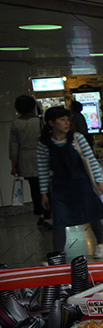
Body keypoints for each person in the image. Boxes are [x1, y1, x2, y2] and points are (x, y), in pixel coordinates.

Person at [36, 106, 103, 258]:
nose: (66, 123)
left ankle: (101, 243)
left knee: (92, 215)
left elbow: (91, 161)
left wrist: (99, 181)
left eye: (67, 119)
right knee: (59, 221)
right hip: (60, 186)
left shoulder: (77, 138)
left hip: (81, 182)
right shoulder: (44, 144)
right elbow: (42, 169)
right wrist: (43, 193)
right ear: (51, 122)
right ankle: (58, 254)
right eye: (62, 120)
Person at [9, 95, 51, 229]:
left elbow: (13, 145)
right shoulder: (40, 122)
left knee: (34, 187)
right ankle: (48, 215)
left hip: (25, 158)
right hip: (41, 156)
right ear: (33, 106)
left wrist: (14, 165)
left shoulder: (16, 123)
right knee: (45, 187)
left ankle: (40, 215)